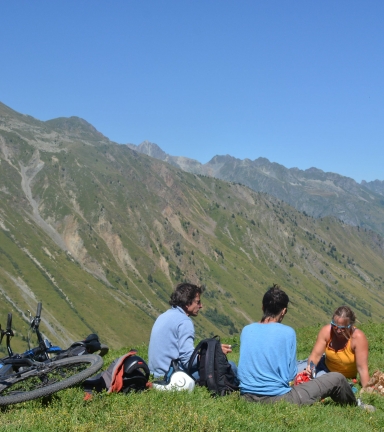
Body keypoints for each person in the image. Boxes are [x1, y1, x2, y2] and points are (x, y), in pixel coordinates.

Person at [238, 284, 361, 407]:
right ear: (283, 311)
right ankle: (356, 406)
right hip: (277, 398)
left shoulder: (247, 330)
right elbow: (290, 375)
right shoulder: (288, 333)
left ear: (262, 307)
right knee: (337, 379)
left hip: (246, 396)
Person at [148, 282, 234, 378]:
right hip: (172, 376)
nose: (201, 306)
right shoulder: (184, 322)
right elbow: (189, 362)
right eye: (198, 302)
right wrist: (214, 354)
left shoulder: (163, 316)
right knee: (230, 367)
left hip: (155, 374)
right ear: (187, 303)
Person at [303, 306, 370, 387]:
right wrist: (310, 369)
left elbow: (362, 368)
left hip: (343, 377)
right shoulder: (327, 331)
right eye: (335, 326)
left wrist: (367, 390)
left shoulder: (358, 338)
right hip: (324, 366)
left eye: (343, 328)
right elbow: (315, 356)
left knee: (318, 384)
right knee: (294, 373)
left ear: (351, 325)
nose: (338, 331)